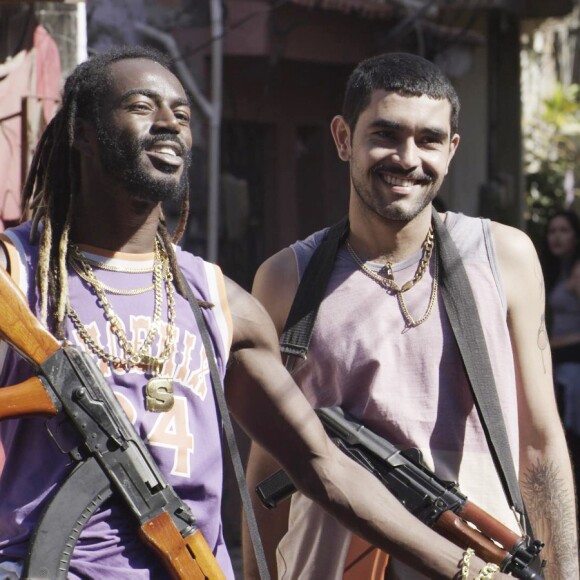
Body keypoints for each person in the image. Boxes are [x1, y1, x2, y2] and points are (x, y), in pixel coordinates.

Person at [0, 46, 517, 580]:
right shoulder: (14, 277)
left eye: (181, 115)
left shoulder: (222, 303)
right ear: (83, 131)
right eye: (140, 106)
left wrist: (469, 569)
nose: (167, 125)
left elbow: (322, 466)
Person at [244, 53, 579, 579]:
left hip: (482, 563)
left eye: (428, 139)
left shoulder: (503, 258)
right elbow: (268, 464)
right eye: (386, 134)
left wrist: (566, 571)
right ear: (342, 138)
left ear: (451, 150)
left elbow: (538, 441)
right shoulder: (287, 279)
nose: (407, 157)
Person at [542, 209, 580, 519]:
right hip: (562, 369)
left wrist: (551, 345)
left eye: (564, 231)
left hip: (574, 371)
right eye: (552, 230)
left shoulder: (577, 270)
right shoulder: (559, 269)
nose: (556, 237)